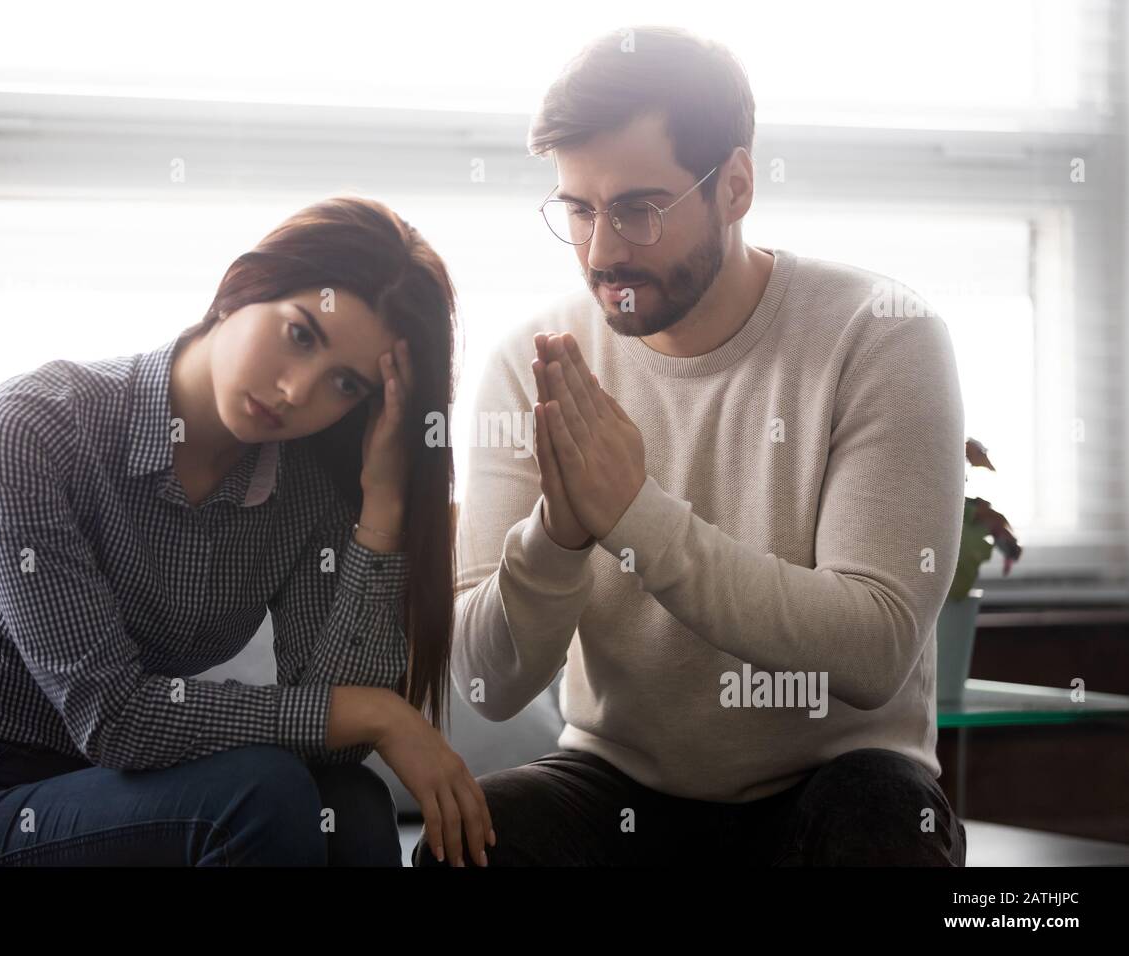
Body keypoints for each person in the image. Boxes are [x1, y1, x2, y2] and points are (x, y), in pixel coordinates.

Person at [414, 25, 968, 867]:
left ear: (736, 184)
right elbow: (489, 687)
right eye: (578, 210)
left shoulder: (881, 334)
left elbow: (874, 648)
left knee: (882, 831)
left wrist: (633, 515)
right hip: (620, 785)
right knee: (475, 844)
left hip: (838, 785)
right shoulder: (532, 363)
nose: (603, 253)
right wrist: (559, 536)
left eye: (640, 209)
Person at [0, 196, 495, 867]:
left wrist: (385, 505)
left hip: (132, 801)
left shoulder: (307, 487)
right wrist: (383, 713)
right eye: (301, 334)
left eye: (344, 384)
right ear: (243, 285)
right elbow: (114, 717)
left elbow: (333, 742)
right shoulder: (35, 428)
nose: (295, 390)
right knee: (262, 795)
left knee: (352, 806)